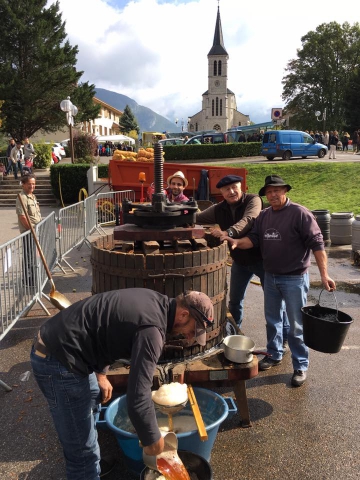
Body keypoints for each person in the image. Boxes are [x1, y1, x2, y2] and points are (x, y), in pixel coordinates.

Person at [30, 288, 214, 480]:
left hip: (68, 348)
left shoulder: (156, 301)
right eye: (193, 329)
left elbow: (109, 327)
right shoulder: (152, 331)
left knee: (93, 397)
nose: (190, 337)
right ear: (184, 314)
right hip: (58, 360)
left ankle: (93, 461)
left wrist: (101, 374)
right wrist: (152, 439)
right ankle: (87, 466)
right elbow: (137, 397)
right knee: (81, 453)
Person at [227, 175, 336, 387]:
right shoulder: (264, 216)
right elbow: (254, 240)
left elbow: (317, 244)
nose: (273, 194)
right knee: (273, 319)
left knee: (296, 325)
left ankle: (300, 365)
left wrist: (324, 274)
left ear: (285, 191)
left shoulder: (300, 213)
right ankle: (275, 354)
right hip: (271, 276)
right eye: (269, 192)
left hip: (295, 278)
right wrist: (237, 241)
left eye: (277, 190)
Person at [195, 174, 290, 342]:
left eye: (234, 188)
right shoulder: (219, 209)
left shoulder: (253, 200)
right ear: (221, 193)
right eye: (227, 189)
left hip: (262, 261)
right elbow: (196, 218)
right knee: (235, 301)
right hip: (240, 262)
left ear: (241, 188)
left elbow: (249, 219)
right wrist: (177, 214)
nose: (231, 192)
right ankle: (234, 332)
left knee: (275, 302)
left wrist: (227, 232)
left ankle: (285, 335)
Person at [15, 174, 42, 286]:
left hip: (36, 230)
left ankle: (34, 275)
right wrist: (31, 230)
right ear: (24, 184)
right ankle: (27, 279)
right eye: (29, 184)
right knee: (28, 256)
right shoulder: (22, 197)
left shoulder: (32, 196)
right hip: (28, 231)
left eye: (33, 184)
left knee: (34, 255)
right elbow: (22, 217)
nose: (32, 186)